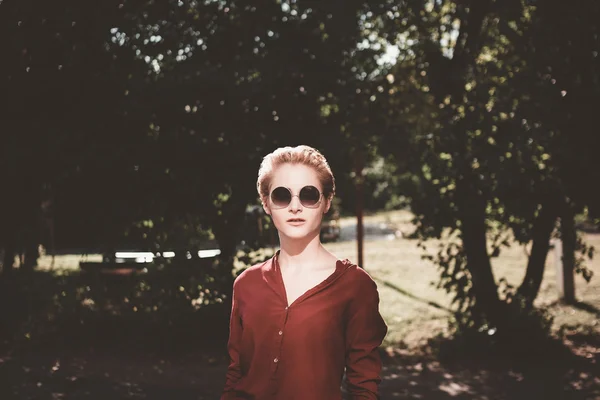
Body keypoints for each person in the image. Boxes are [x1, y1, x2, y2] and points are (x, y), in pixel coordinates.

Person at [221, 145, 388, 400]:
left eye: (309, 195)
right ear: (266, 203)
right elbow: (235, 375)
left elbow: (364, 385)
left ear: (326, 202)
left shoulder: (355, 286)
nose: (295, 207)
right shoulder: (246, 284)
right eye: (281, 196)